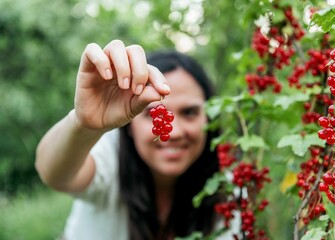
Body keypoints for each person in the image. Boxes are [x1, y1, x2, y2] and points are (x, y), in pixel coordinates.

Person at [35, 40, 239, 240]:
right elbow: (54, 174)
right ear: (130, 126)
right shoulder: (110, 156)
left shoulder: (230, 190)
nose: (174, 132)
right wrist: (83, 124)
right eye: (151, 114)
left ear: (209, 118)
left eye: (189, 112)